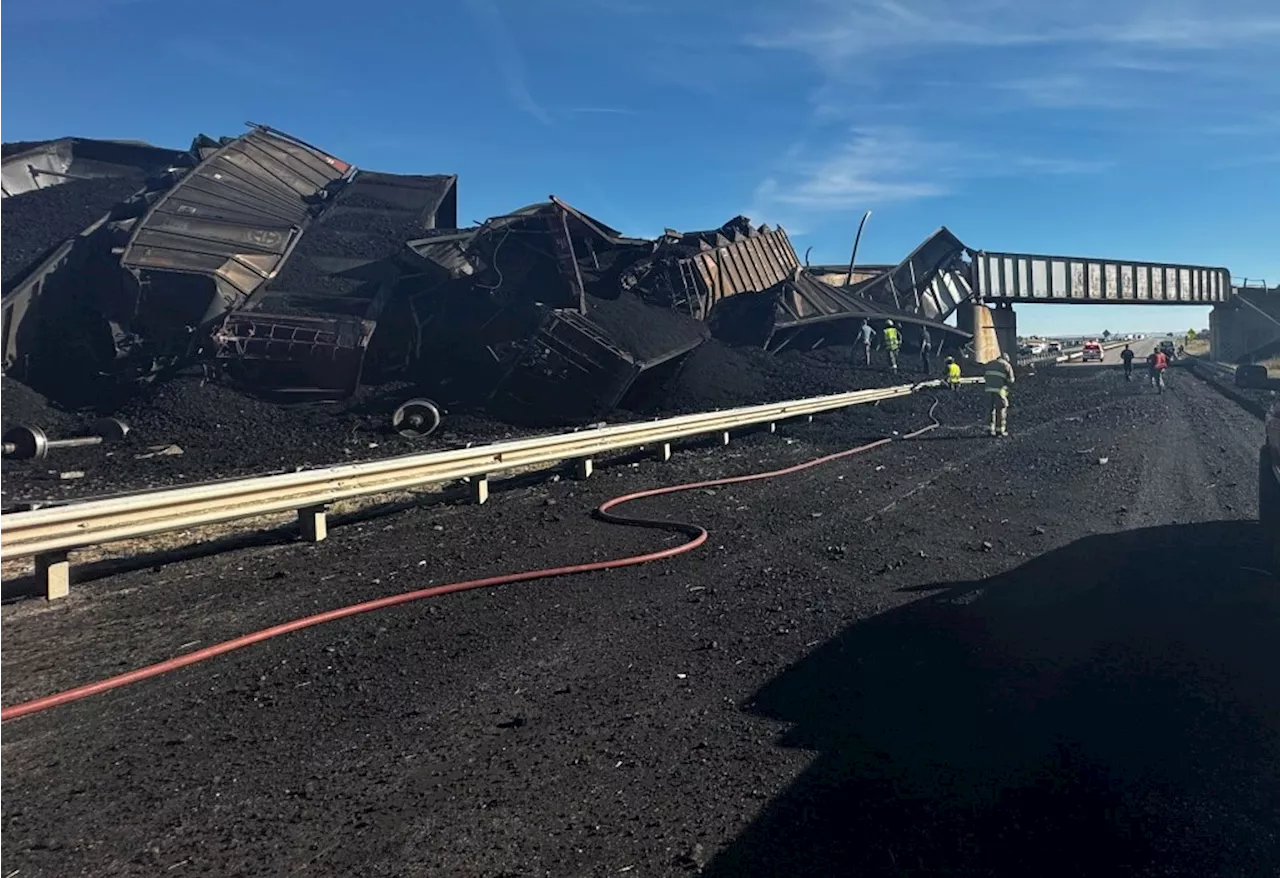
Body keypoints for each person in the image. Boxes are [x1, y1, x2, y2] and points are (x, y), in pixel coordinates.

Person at [984, 353, 1015, 436]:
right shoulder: (1006, 365)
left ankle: (989, 428)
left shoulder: (989, 364)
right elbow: (1011, 380)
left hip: (988, 389)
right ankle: (1000, 429)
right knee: (1001, 409)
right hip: (1000, 390)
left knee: (990, 409)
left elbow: (985, 376)